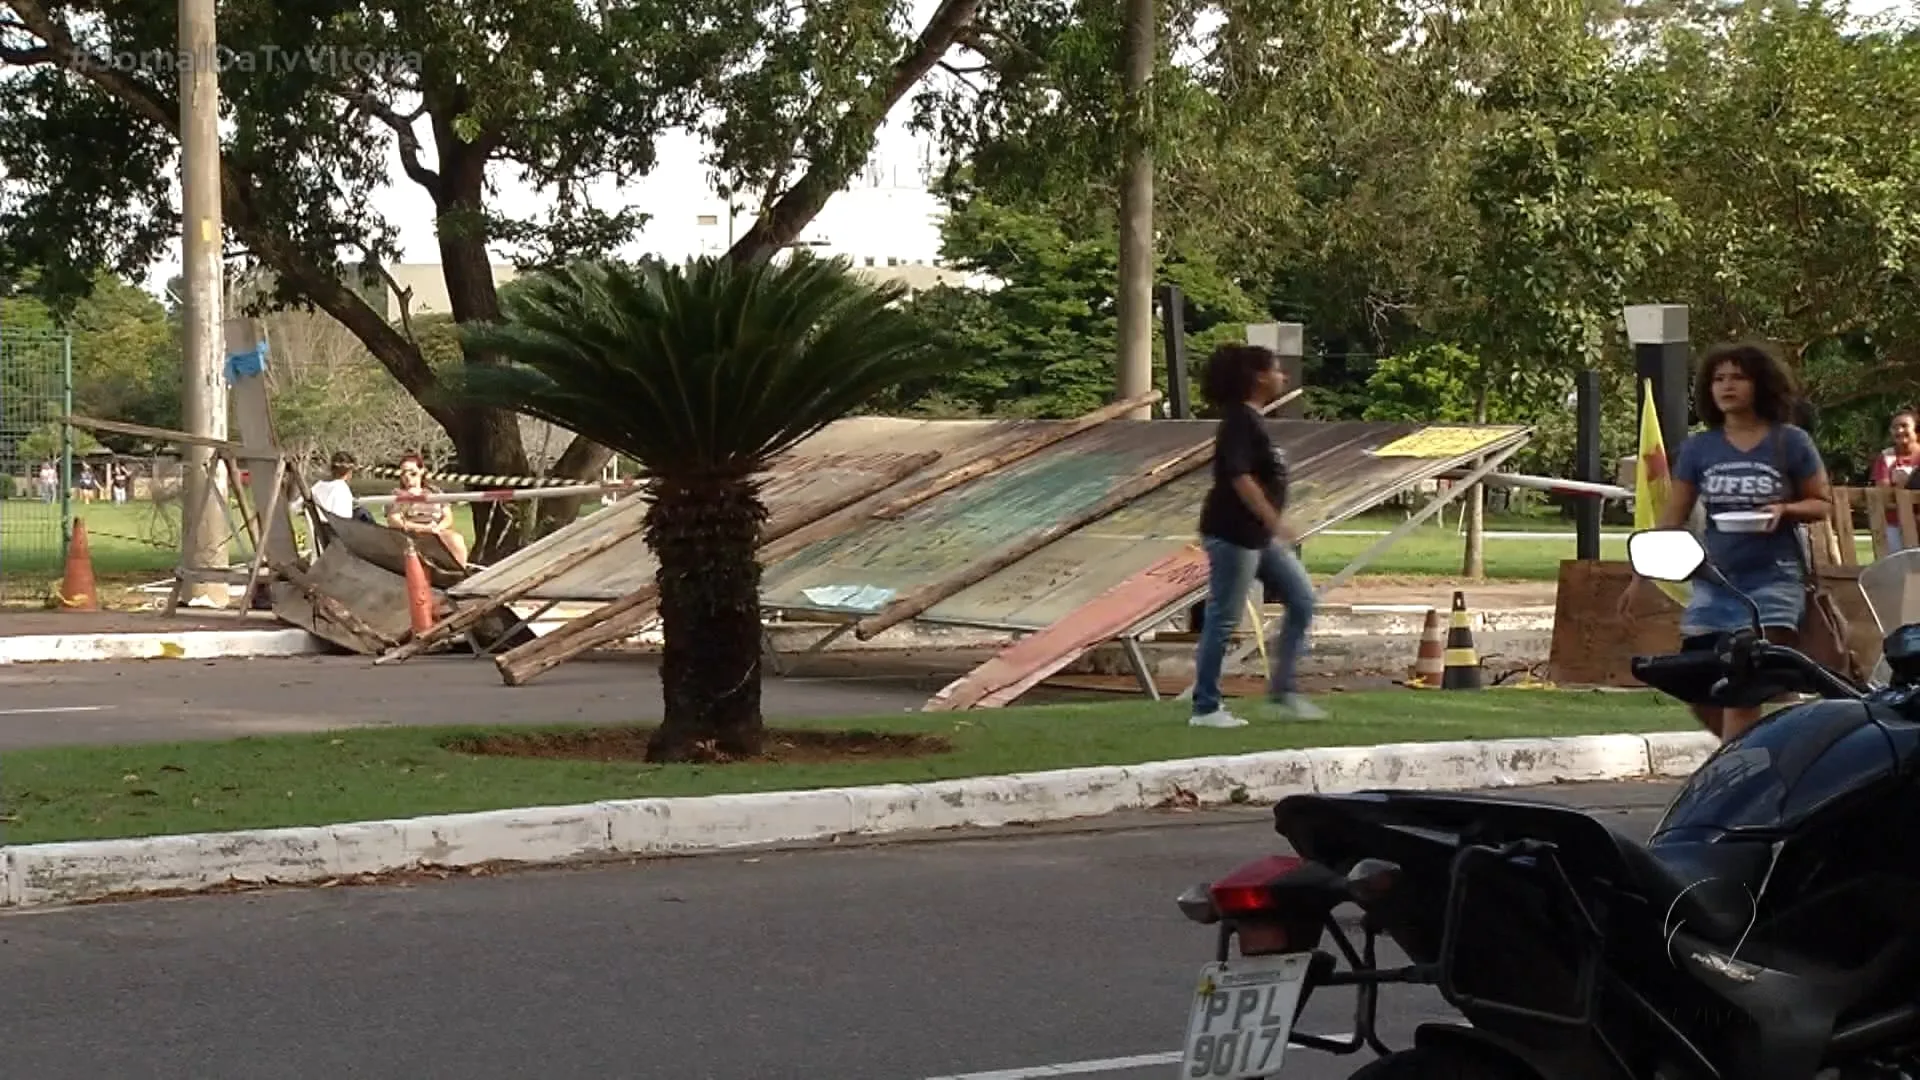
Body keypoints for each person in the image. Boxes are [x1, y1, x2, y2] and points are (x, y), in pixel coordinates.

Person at [1620, 341, 1831, 743]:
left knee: (1741, 685)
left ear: (1760, 384)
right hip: (1715, 581)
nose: (1727, 386)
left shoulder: (1791, 442)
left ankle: (1740, 768)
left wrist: (1783, 511)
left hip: (1774, 579)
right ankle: (1756, 756)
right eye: (1719, 379)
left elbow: (1821, 503)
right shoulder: (1700, 448)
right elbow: (1672, 517)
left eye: (1738, 377)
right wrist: (1640, 577)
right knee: (1696, 684)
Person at [1188, 343, 1323, 728]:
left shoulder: (1254, 419)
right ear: (1259, 376)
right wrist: (1274, 519)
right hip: (1234, 534)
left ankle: (1283, 692)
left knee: (1302, 600)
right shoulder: (1239, 421)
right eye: (1278, 370)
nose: (1284, 377)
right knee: (1223, 619)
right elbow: (1239, 476)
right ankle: (1206, 708)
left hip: (1258, 538)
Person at [386, 452, 469, 565]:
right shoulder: (397, 494)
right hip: (412, 535)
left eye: (412, 473)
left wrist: (437, 528)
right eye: (403, 473)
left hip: (437, 531)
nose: (407, 476)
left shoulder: (435, 491)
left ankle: (460, 574)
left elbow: (448, 517)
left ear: (421, 471)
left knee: (456, 540)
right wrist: (424, 528)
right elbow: (394, 521)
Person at [1870, 408, 1920, 551]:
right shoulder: (1886, 457)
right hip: (1895, 524)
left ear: (1916, 430)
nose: (1899, 431)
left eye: (1904, 426)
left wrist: (1903, 483)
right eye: (1894, 427)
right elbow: (1884, 494)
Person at [309, 451, 362, 522]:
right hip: (336, 530)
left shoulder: (317, 486)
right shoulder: (342, 489)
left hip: (320, 529)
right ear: (349, 472)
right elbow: (345, 522)